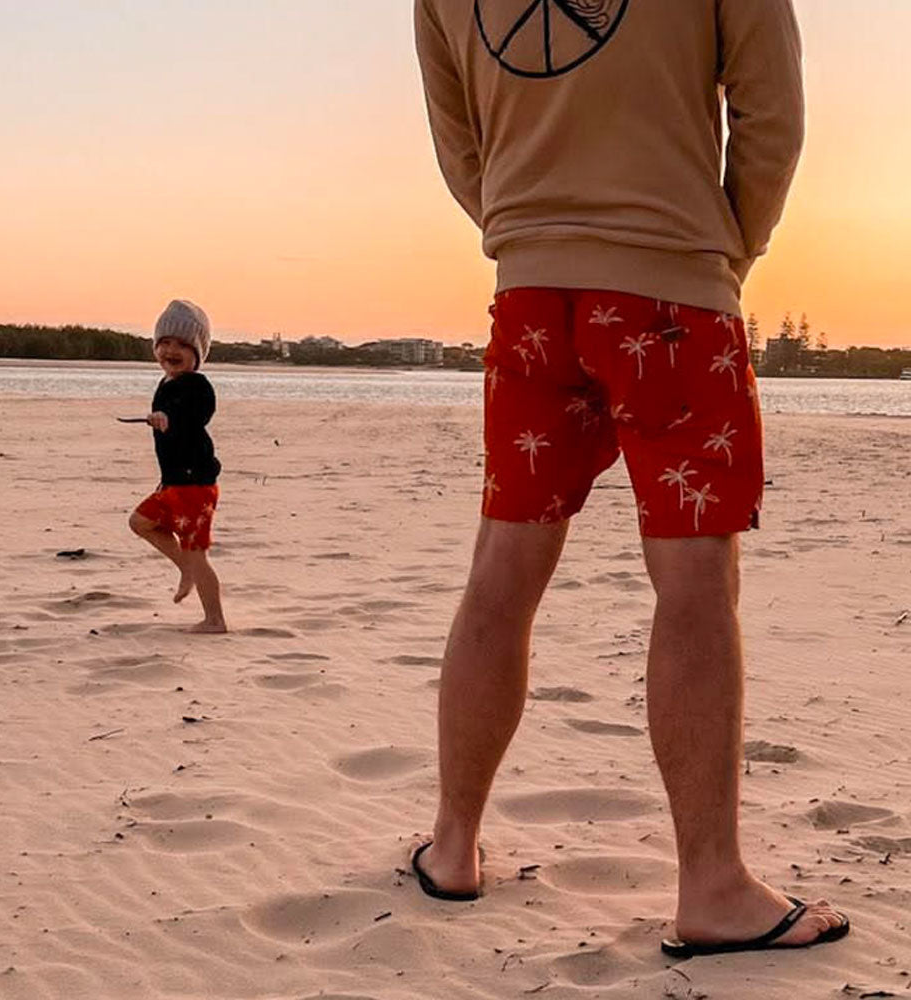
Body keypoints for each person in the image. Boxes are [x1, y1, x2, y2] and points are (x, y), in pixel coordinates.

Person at [412, 0, 849, 956]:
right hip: (674, 288)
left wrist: (525, 225)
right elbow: (771, 107)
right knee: (694, 586)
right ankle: (713, 884)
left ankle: (452, 845)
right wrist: (728, 242)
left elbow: (458, 141)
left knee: (503, 569)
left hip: (531, 292)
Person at [129, 299, 227, 634]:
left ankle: (215, 619)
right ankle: (185, 567)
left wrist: (168, 418)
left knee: (196, 551)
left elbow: (196, 416)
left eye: (183, 345)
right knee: (141, 522)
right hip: (174, 481)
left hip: (195, 485)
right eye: (165, 342)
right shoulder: (167, 383)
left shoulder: (197, 386)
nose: (172, 351)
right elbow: (172, 445)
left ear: (198, 354)